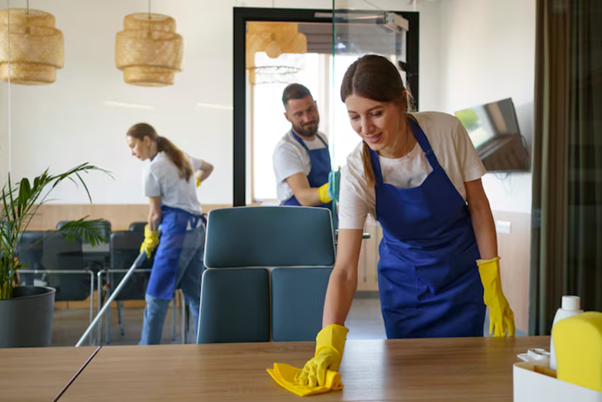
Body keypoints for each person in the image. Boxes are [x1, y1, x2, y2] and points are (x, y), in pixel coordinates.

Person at [295, 55, 515, 387]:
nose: (365, 129)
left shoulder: (445, 131)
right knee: (409, 383)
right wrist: (328, 342)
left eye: (376, 113)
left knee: (463, 382)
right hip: (404, 289)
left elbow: (479, 209)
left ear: (402, 100)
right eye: (355, 117)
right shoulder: (356, 170)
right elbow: (345, 269)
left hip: (462, 281)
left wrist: (493, 285)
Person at [126, 123, 214, 345]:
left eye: (134, 146)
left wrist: (150, 237)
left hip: (176, 234)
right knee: (196, 296)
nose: (133, 152)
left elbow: (154, 215)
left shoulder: (153, 169)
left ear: (147, 140)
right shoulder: (180, 156)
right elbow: (209, 167)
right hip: (198, 232)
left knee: (156, 295)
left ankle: (147, 349)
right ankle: (205, 346)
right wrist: (193, 184)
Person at [272, 83, 339, 211]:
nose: (307, 118)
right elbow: (304, 197)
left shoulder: (322, 138)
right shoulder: (286, 149)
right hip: (297, 221)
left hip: (326, 215)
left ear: (315, 105)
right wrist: (331, 191)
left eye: (310, 109)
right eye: (299, 114)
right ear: (287, 117)